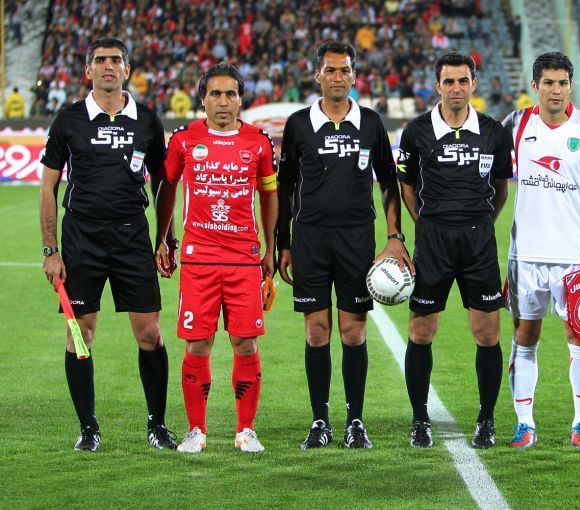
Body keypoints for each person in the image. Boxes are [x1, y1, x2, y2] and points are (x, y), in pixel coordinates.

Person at [39, 38, 175, 452]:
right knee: (80, 333)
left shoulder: (146, 120)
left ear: (127, 70)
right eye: (100, 60)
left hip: (132, 236)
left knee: (149, 332)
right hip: (81, 238)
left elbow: (164, 184)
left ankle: (157, 425)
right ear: (88, 71)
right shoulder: (69, 119)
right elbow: (48, 186)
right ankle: (88, 428)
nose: (108, 66)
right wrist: (50, 249)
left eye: (116, 60)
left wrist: (164, 238)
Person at [276, 41, 410, 450]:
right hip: (310, 240)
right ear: (317, 75)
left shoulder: (370, 123)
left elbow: (388, 183)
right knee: (317, 332)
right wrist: (284, 243)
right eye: (330, 70)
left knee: (353, 332)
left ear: (354, 76)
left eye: (345, 70)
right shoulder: (299, 124)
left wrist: (394, 236)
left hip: (356, 239)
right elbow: (285, 187)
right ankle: (320, 421)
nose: (338, 77)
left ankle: (355, 421)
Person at [154, 63, 278, 454]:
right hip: (198, 260)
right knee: (198, 345)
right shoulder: (183, 140)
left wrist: (270, 248)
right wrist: (163, 238)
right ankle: (196, 430)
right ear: (203, 99)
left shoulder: (258, 142)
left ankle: (246, 430)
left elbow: (270, 195)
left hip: (243, 259)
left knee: (245, 343)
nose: (223, 102)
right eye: (215, 94)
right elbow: (167, 188)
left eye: (230, 94)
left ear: (241, 100)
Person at [396, 51, 512, 449]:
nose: (456, 88)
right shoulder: (416, 131)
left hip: (479, 242)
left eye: (463, 81)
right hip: (433, 242)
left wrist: (480, 223)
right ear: (437, 86)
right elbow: (407, 186)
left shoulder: (493, 132)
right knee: (421, 331)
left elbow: (501, 189)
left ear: (473, 84)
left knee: (487, 333)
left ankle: (486, 419)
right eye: (449, 81)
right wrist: (427, 223)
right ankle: (419, 419)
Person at [502, 52, 580, 449]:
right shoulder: (516, 124)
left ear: (570, 86)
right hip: (526, 255)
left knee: (579, 337)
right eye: (548, 82)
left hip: (574, 256)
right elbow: (495, 177)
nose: (555, 89)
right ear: (535, 86)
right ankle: (524, 423)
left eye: (562, 82)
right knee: (524, 336)